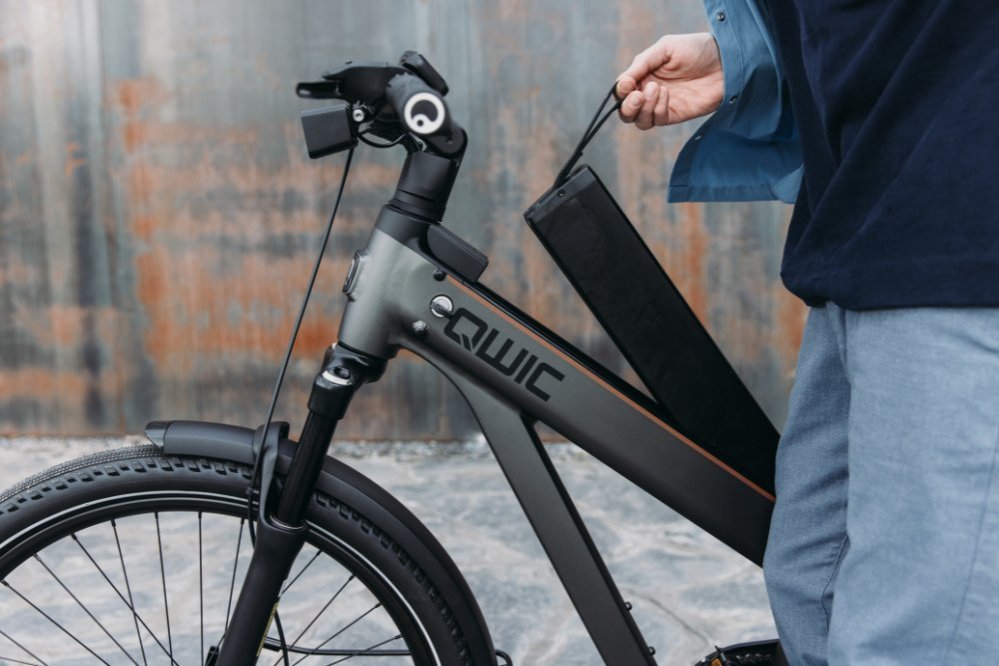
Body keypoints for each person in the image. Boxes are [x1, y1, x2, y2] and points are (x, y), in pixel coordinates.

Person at [616, 2, 999, 664]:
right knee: (808, 583)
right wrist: (748, 56)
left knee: (910, 639)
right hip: (855, 230)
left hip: (961, 240)